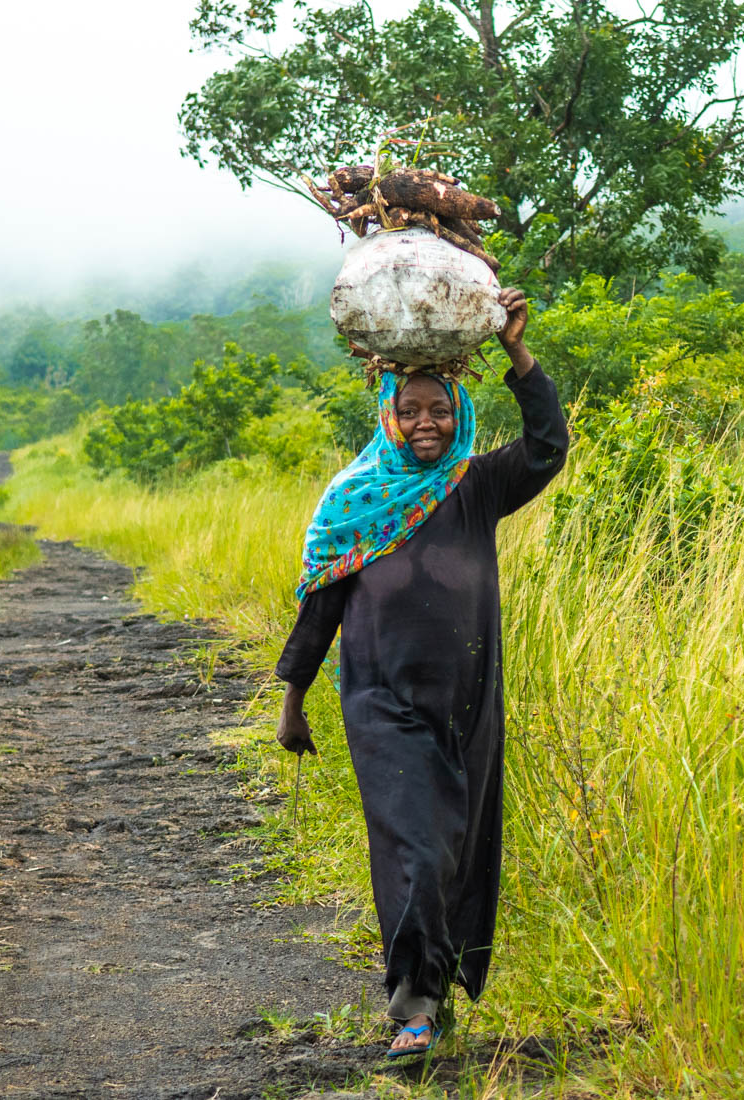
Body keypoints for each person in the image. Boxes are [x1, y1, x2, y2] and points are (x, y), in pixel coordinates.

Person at [272, 288, 568, 1057]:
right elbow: (320, 606)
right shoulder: (354, 501)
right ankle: (415, 1006)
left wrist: (515, 348)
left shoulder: (476, 488)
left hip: (467, 707)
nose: (426, 422)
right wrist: (293, 702)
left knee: (455, 850)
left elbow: (549, 446)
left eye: (439, 409)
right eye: (412, 411)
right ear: (389, 416)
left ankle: (435, 986)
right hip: (380, 706)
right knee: (416, 847)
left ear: (457, 413)